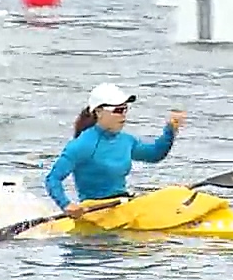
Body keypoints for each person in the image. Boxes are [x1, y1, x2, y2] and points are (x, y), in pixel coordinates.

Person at [44, 83, 187, 218]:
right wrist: (66, 205)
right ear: (99, 112)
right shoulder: (82, 145)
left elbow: (155, 155)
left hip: (122, 204)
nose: (123, 115)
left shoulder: (126, 140)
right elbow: (53, 179)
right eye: (118, 110)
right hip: (95, 211)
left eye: (125, 109)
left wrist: (170, 130)